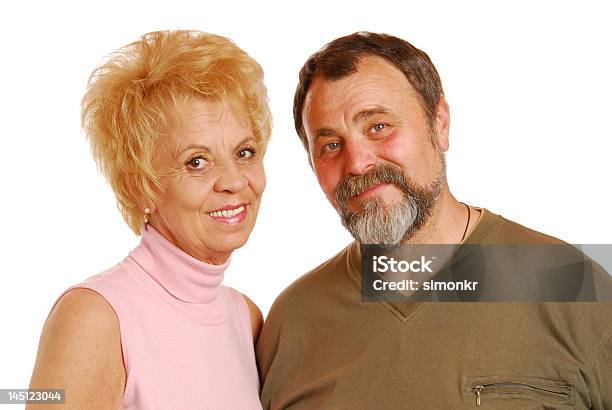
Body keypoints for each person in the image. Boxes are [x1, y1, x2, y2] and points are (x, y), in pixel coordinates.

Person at [256, 32, 612, 409]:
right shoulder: (291, 323)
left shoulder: (573, 285)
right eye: (330, 145)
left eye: (379, 126)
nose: (357, 163)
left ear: (439, 124)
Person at [28, 30, 271, 409]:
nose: (235, 181)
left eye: (244, 152)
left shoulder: (246, 318)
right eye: (196, 161)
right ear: (142, 187)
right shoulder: (94, 319)